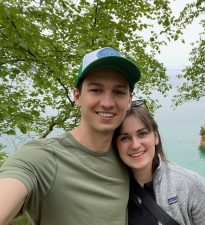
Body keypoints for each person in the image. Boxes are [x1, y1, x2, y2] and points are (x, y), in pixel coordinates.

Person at [0, 47, 141, 225]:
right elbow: (13, 183)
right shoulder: (44, 157)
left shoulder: (129, 157)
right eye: (96, 90)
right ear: (77, 96)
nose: (107, 103)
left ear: (129, 101)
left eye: (119, 92)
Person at [113, 102, 205, 225]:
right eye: (124, 138)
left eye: (142, 134)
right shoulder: (112, 189)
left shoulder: (192, 186)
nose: (135, 145)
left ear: (155, 137)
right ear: (116, 145)